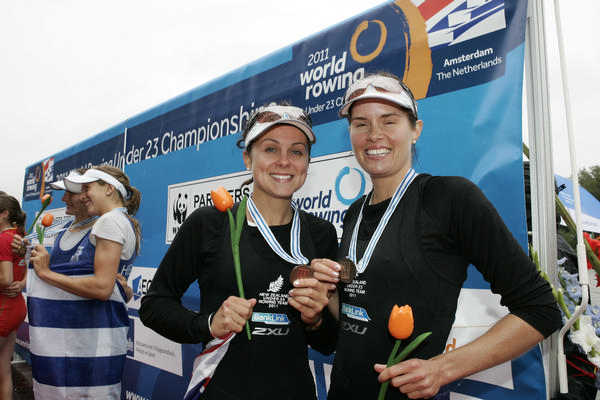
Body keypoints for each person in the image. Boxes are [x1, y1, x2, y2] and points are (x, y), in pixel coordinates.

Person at [311, 72, 562, 399]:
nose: (374, 135)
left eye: (389, 121)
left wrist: (443, 368)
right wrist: (325, 298)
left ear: (416, 130)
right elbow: (357, 315)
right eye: (361, 124)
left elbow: (541, 310)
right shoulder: (355, 212)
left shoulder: (449, 198)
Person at [139, 103, 339, 399]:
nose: (284, 161)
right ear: (248, 158)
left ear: (307, 163)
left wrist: (316, 319)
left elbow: (328, 343)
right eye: (270, 149)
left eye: (296, 151)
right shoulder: (210, 224)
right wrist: (208, 324)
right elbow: (154, 307)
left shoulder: (321, 233)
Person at [27, 165, 142, 399]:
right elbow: (111, 286)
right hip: (93, 335)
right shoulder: (118, 221)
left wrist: (46, 274)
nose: (82, 194)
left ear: (109, 189)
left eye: (88, 187)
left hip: (93, 337)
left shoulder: (110, 221)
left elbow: (102, 288)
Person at [0, 193, 27, 400]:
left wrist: (18, 283)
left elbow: (6, 279)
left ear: (4, 215)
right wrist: (22, 283)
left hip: (5, 307)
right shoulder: (18, 236)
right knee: (3, 367)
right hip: (15, 306)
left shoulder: (4, 238)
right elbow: (26, 271)